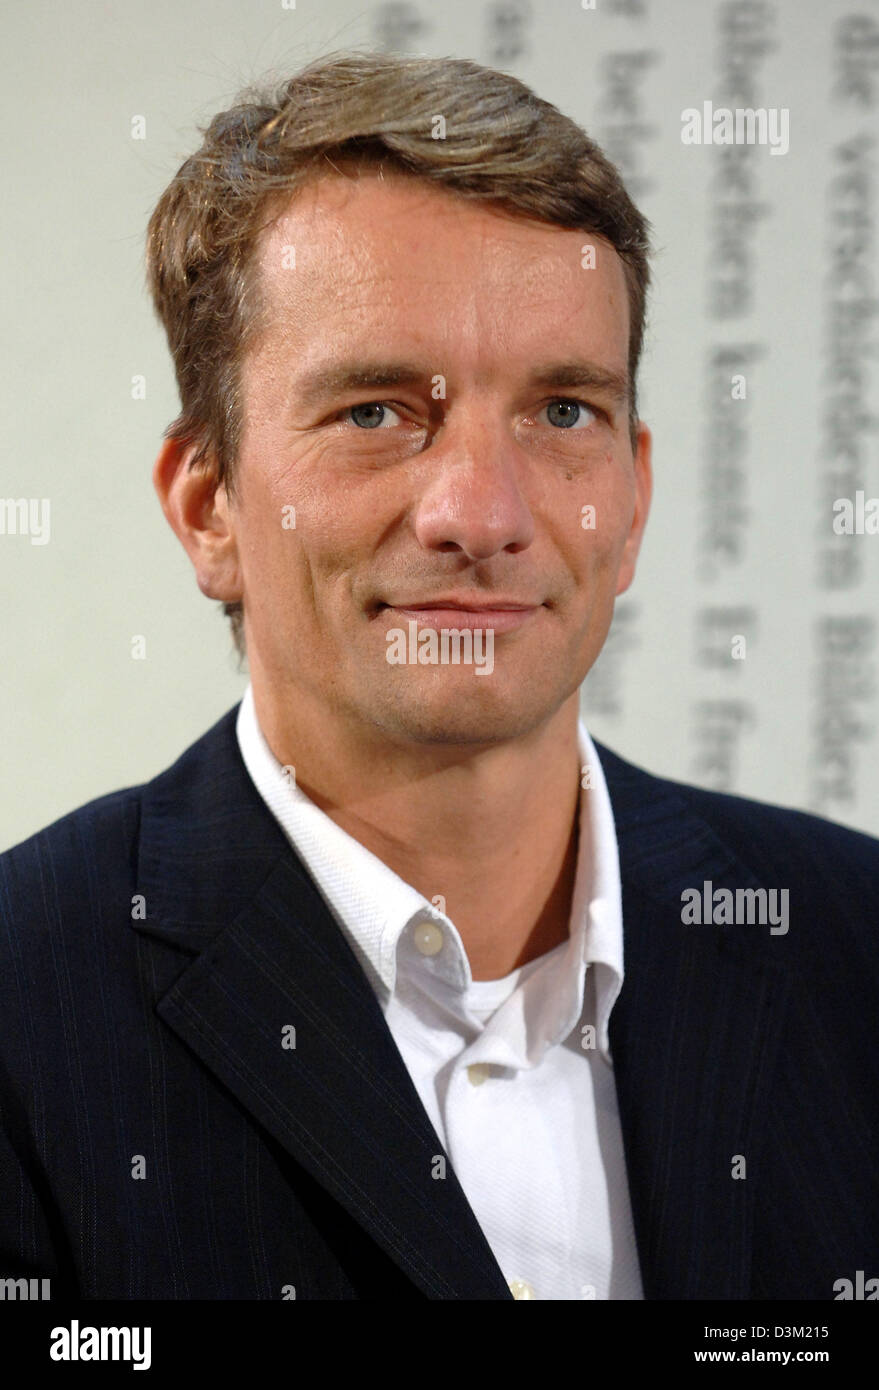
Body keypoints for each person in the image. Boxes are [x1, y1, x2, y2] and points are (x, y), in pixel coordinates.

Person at [1, 50, 876, 1303]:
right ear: (208, 507)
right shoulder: (25, 1012)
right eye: (377, 411)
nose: (482, 510)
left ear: (632, 503)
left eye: (562, 411)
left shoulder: (855, 944)